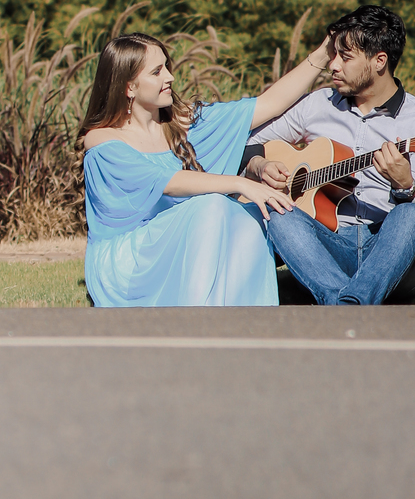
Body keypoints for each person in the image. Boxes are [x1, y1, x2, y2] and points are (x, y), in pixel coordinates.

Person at [79, 33, 332, 307]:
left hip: (177, 248)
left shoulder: (182, 122)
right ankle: (199, 316)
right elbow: (167, 182)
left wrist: (322, 53)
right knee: (211, 204)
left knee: (252, 215)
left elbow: (268, 105)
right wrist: (241, 183)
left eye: (166, 66)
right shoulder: (102, 139)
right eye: (156, 72)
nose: (170, 77)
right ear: (129, 87)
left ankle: (243, 315)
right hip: (129, 263)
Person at [243, 6, 415, 305]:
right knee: (278, 211)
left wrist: (405, 185)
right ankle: (346, 302)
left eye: (345, 57)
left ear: (379, 61)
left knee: (410, 215)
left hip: (391, 253)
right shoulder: (317, 105)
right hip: (329, 248)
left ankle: (347, 299)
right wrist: (260, 164)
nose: (333, 66)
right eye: (334, 55)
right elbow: (249, 141)